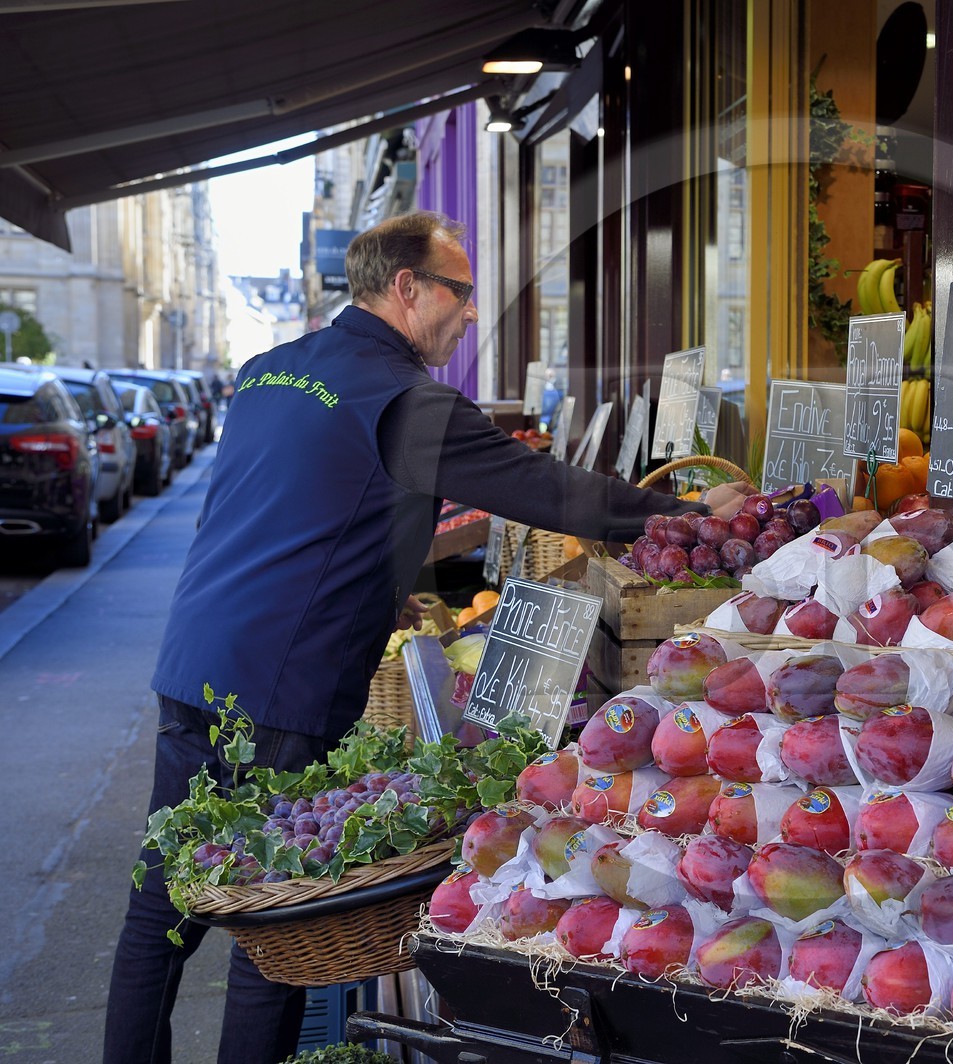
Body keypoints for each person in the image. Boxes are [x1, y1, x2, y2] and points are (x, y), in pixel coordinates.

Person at [103, 211, 743, 1064]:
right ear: (406, 288)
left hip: (197, 659)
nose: (471, 312)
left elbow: (293, 501)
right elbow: (539, 486)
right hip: (286, 679)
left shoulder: (268, 373)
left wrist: (378, 580)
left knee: (162, 906)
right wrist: (687, 514)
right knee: (277, 918)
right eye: (460, 291)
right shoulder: (403, 399)